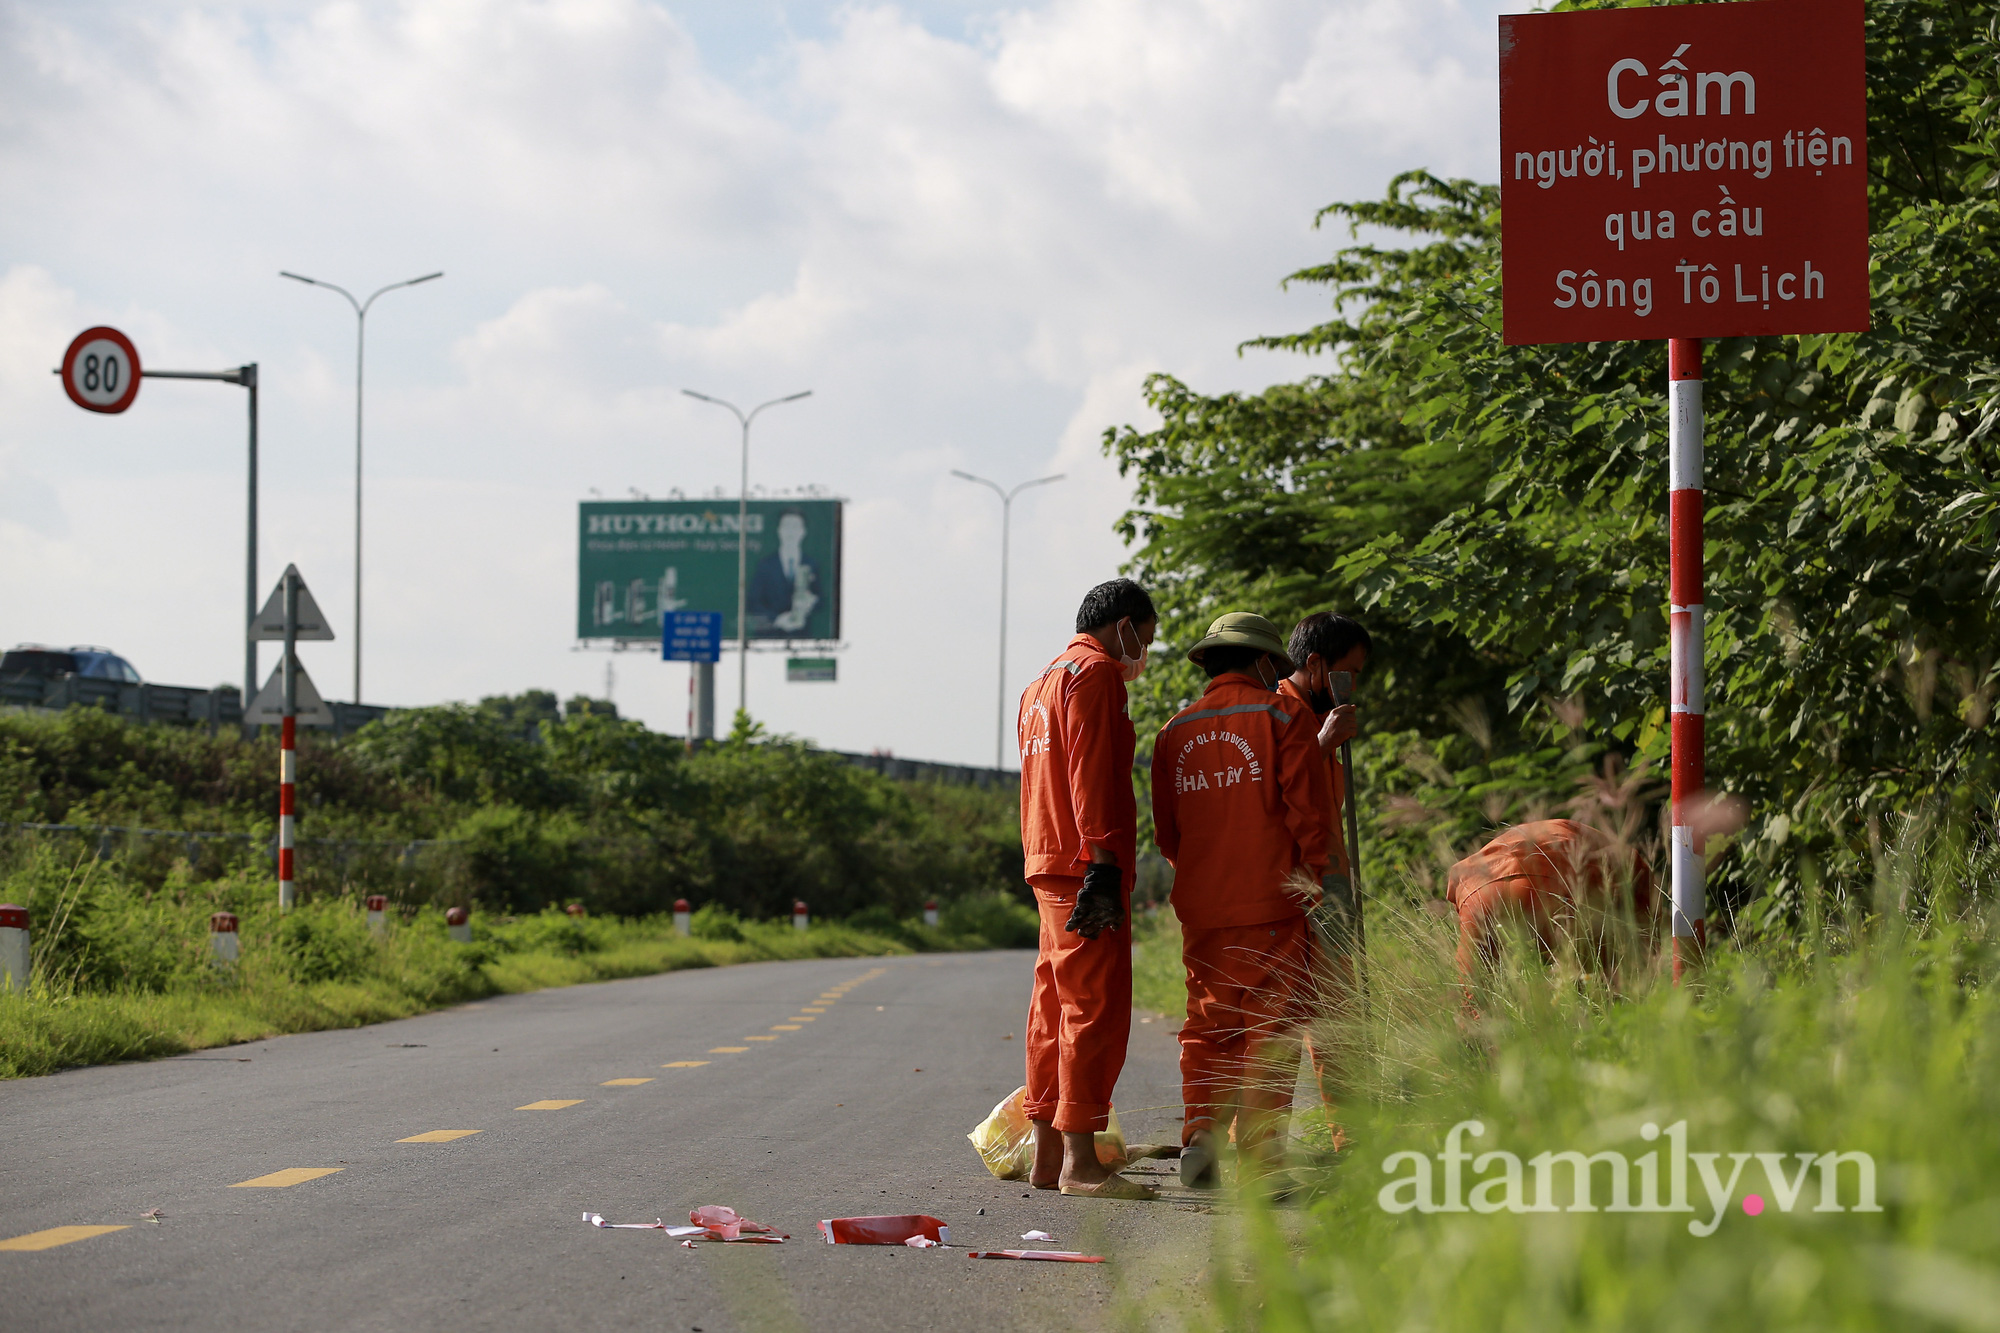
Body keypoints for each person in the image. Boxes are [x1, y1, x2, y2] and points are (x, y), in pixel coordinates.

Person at [1151, 612, 1332, 1188]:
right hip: (1272, 902)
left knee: (1210, 1026)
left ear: (1210, 662)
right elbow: (1310, 812)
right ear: (1263, 663)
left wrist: (1206, 878)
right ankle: (1260, 1163)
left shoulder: (1173, 732)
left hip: (1203, 908)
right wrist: (1316, 882)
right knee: (1270, 1029)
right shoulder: (1283, 715)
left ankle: (1201, 1132)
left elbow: (1167, 833)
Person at [1017, 577, 1159, 1200]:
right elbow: (1091, 769)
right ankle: (1080, 1162)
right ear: (1123, 625)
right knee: (1091, 1008)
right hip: (1085, 865)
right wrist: (1102, 862)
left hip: (1046, 859)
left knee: (1053, 1005)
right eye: (1144, 639)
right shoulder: (1094, 675)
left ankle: (1047, 1156)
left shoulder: (1037, 685)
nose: (1142, 655)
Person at [1275, 612, 1372, 1126]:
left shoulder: (1314, 717)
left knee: (1340, 1009)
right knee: (1285, 1013)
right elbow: (1268, 798)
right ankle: (1256, 1146)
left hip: (1331, 879)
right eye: (1346, 672)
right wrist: (1321, 746)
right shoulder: (1277, 714)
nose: (1352, 686)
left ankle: (1351, 1135)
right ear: (1316, 665)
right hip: (1295, 886)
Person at [1445, 818, 1656, 1002]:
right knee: (1597, 991)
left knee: (1474, 997)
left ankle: (1475, 1044)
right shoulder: (1630, 868)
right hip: (1555, 874)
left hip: (1478, 887)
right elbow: (1646, 946)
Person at [746, 509, 820, 633]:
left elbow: (824, 600)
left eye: (795, 526)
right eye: (787, 526)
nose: (791, 531)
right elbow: (753, 602)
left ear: (803, 531)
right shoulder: (765, 565)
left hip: (803, 633)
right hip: (769, 632)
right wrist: (777, 619)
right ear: (779, 530)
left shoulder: (812, 564)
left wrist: (811, 602)